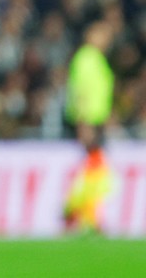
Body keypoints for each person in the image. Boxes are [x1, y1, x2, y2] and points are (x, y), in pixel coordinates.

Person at [62, 19, 117, 234]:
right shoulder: (86, 58)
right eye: (102, 35)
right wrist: (83, 122)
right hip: (89, 121)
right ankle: (81, 215)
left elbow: (100, 92)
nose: (106, 40)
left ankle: (78, 215)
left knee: (92, 171)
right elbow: (81, 92)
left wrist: (108, 115)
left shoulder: (96, 59)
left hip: (96, 120)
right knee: (94, 171)